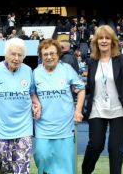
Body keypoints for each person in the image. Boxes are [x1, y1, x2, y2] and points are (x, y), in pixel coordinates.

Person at [81, 25, 123, 174]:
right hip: (97, 108)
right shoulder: (92, 61)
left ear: (112, 41)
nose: (103, 41)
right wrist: (77, 89)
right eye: (100, 38)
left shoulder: (121, 59)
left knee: (115, 149)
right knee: (95, 145)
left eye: (107, 38)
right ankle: (85, 171)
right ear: (96, 41)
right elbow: (90, 86)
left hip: (118, 110)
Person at [0, 37, 41, 174]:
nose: (16, 58)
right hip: (2, 128)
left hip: (24, 127)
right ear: (6, 54)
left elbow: (32, 93)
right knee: (4, 169)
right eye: (13, 54)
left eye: (20, 55)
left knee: (21, 168)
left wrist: (36, 104)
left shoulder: (28, 71)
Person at [33, 39, 85, 174]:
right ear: (41, 56)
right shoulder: (35, 73)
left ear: (58, 54)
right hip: (42, 126)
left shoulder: (67, 70)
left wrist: (78, 110)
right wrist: (35, 104)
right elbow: (30, 93)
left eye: (52, 53)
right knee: (41, 156)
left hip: (65, 127)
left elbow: (81, 89)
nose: (49, 57)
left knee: (65, 165)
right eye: (45, 54)